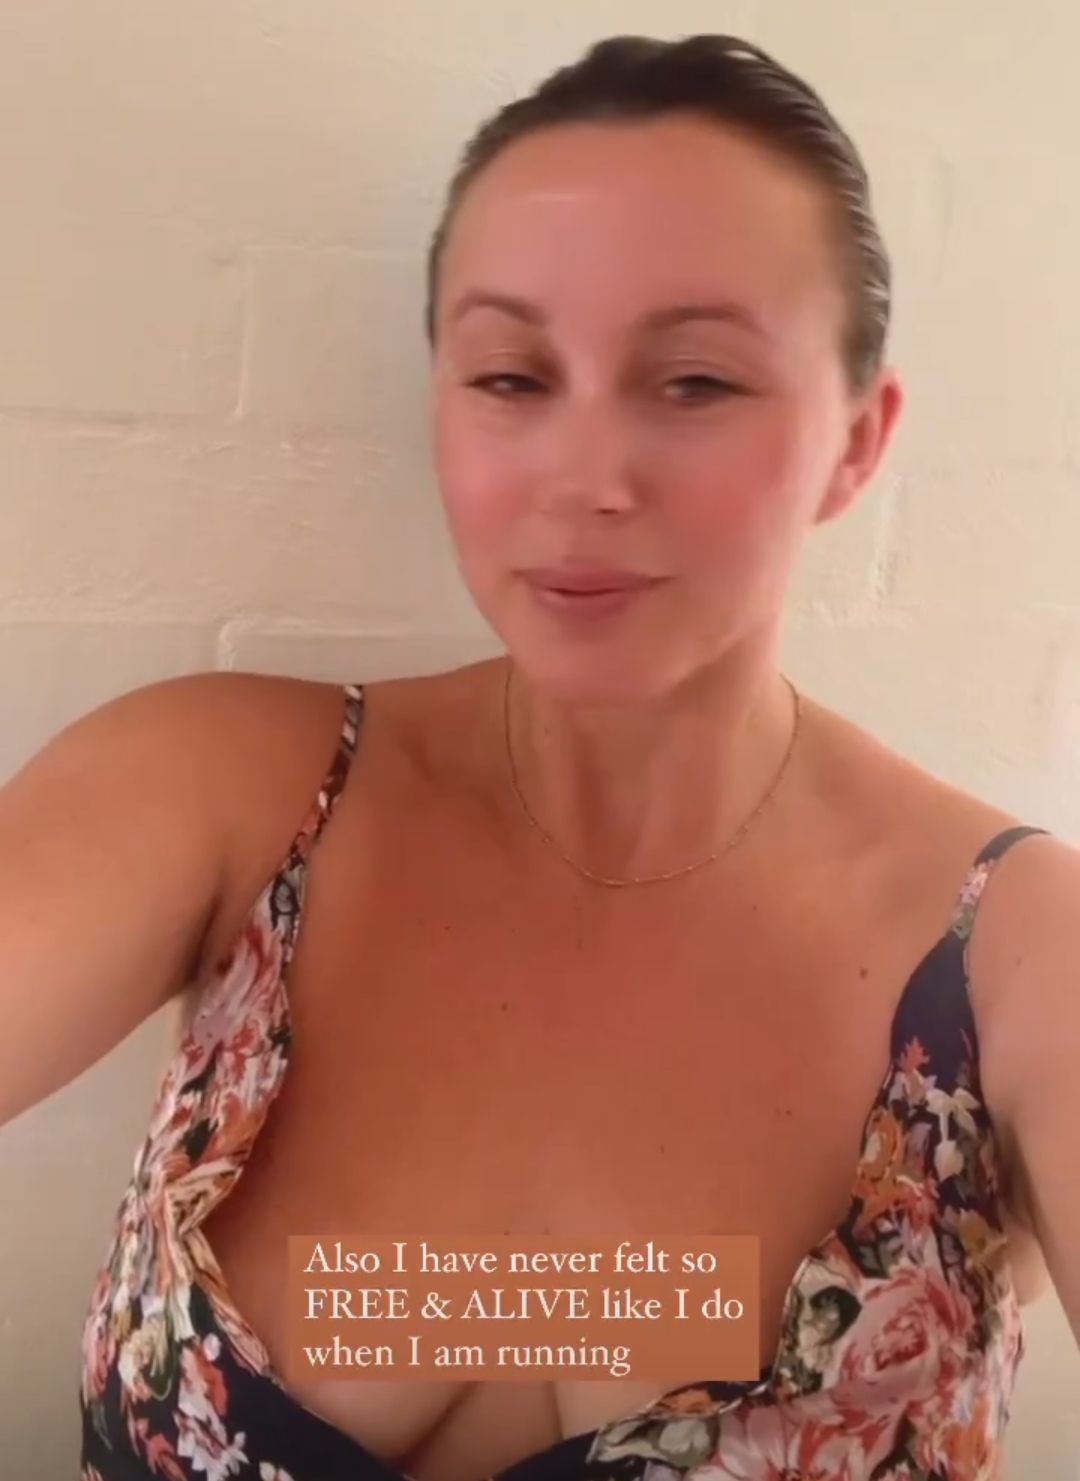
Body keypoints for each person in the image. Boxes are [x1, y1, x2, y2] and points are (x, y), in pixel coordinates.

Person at [2, 30, 1076, 1481]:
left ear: (855, 444)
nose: (585, 479)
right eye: (512, 377)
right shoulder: (227, 794)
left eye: (695, 382)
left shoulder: (1018, 959)